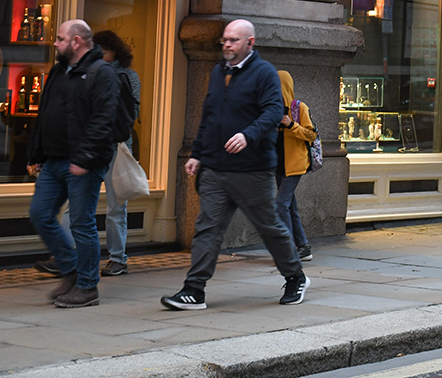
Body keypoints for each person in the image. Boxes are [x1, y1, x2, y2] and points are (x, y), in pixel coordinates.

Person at [161, 20, 308, 311]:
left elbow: (273, 112)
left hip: (252, 169)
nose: (227, 45)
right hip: (215, 168)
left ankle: (295, 277)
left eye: (233, 40)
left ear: (250, 43)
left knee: (269, 227)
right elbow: (209, 116)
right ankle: (194, 290)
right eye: (224, 40)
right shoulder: (218, 72)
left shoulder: (264, 73)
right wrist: (197, 153)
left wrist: (247, 135)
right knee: (207, 229)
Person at [27, 19, 120, 309]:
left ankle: (87, 286)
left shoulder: (101, 72)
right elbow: (45, 114)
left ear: (76, 41)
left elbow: (104, 121)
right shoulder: (59, 71)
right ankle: (70, 268)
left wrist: (84, 159)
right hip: (54, 161)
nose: (55, 43)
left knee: (82, 223)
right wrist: (36, 154)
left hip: (83, 164)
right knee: (40, 214)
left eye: (60, 38)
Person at [94, 30, 141, 276]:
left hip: (116, 148)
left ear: (115, 52)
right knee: (78, 205)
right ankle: (69, 254)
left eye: (104, 52)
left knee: (116, 206)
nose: (100, 57)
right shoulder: (89, 74)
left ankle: (117, 258)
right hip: (93, 149)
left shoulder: (126, 76)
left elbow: (130, 114)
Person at [275, 69, 318, 262]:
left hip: (295, 165)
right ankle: (304, 247)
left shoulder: (299, 108)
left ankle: (288, 249)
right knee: (290, 207)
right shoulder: (272, 108)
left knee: (280, 205)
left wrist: (291, 125)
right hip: (278, 165)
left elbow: (311, 135)